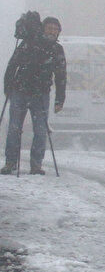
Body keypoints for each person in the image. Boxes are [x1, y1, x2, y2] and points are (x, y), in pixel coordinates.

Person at [2, 11, 67, 176]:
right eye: (49, 28)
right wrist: (7, 88)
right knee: (14, 129)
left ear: (59, 32)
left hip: (40, 94)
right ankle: (10, 163)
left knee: (40, 131)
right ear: (43, 29)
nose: (52, 31)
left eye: (55, 29)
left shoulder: (57, 49)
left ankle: (35, 165)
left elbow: (61, 76)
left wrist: (60, 99)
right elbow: (12, 65)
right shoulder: (28, 43)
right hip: (20, 92)